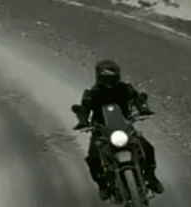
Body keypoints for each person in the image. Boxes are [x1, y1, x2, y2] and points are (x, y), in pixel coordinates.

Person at [70, 59, 163, 195]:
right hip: (102, 131)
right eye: (107, 78)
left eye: (112, 78)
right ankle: (103, 186)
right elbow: (85, 108)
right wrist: (83, 120)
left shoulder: (125, 88)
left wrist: (142, 108)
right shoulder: (92, 93)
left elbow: (137, 99)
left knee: (147, 148)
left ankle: (151, 177)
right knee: (93, 159)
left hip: (125, 128)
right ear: (100, 76)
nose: (110, 82)